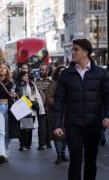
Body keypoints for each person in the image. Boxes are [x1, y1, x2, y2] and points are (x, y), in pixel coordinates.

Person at [53, 39, 109, 180]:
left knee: (90, 161)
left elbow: (107, 98)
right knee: (75, 161)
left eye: (75, 49)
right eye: (72, 49)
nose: (72, 52)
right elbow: (59, 100)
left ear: (86, 52)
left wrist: (106, 116)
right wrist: (56, 125)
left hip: (94, 124)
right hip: (73, 124)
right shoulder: (66, 74)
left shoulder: (101, 74)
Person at [16, 71, 45, 151]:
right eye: (24, 75)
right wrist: (28, 102)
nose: (26, 76)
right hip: (22, 109)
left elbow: (37, 96)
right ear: (21, 76)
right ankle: (22, 145)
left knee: (29, 128)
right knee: (23, 128)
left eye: (27, 75)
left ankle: (28, 145)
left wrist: (41, 109)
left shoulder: (32, 84)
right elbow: (19, 96)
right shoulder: (18, 85)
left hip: (32, 110)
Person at [45, 66, 68, 165]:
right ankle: (58, 154)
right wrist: (58, 105)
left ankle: (62, 153)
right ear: (57, 73)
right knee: (58, 135)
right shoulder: (52, 84)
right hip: (55, 112)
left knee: (66, 134)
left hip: (68, 112)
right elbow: (48, 97)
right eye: (60, 71)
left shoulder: (69, 84)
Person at [34, 64, 51, 150]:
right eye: (40, 70)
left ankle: (48, 143)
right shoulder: (35, 81)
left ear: (47, 71)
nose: (41, 71)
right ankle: (41, 143)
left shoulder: (51, 81)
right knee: (42, 125)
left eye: (43, 70)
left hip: (49, 106)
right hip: (40, 106)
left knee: (49, 125)